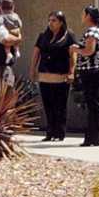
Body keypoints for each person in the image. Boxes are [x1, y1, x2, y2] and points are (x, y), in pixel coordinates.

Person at [29, 11, 76, 142]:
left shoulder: (68, 36)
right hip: (44, 75)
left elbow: (72, 55)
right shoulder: (43, 36)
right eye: (49, 20)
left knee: (60, 106)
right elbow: (36, 53)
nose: (50, 23)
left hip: (60, 76)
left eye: (54, 20)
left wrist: (71, 71)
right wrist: (32, 69)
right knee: (48, 105)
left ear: (61, 22)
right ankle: (50, 132)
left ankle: (60, 133)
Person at [69, 5, 99, 147]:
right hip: (97, 70)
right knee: (96, 103)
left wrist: (75, 49)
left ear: (88, 16)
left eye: (83, 14)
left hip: (92, 71)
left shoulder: (92, 31)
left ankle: (92, 138)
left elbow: (88, 51)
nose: (81, 17)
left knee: (93, 104)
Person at [0, 0, 22, 65]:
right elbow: (20, 24)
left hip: (8, 31)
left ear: (1, 7)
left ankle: (8, 53)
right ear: (13, 7)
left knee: (7, 45)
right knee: (15, 42)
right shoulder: (16, 15)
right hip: (16, 31)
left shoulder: (2, 16)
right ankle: (16, 51)